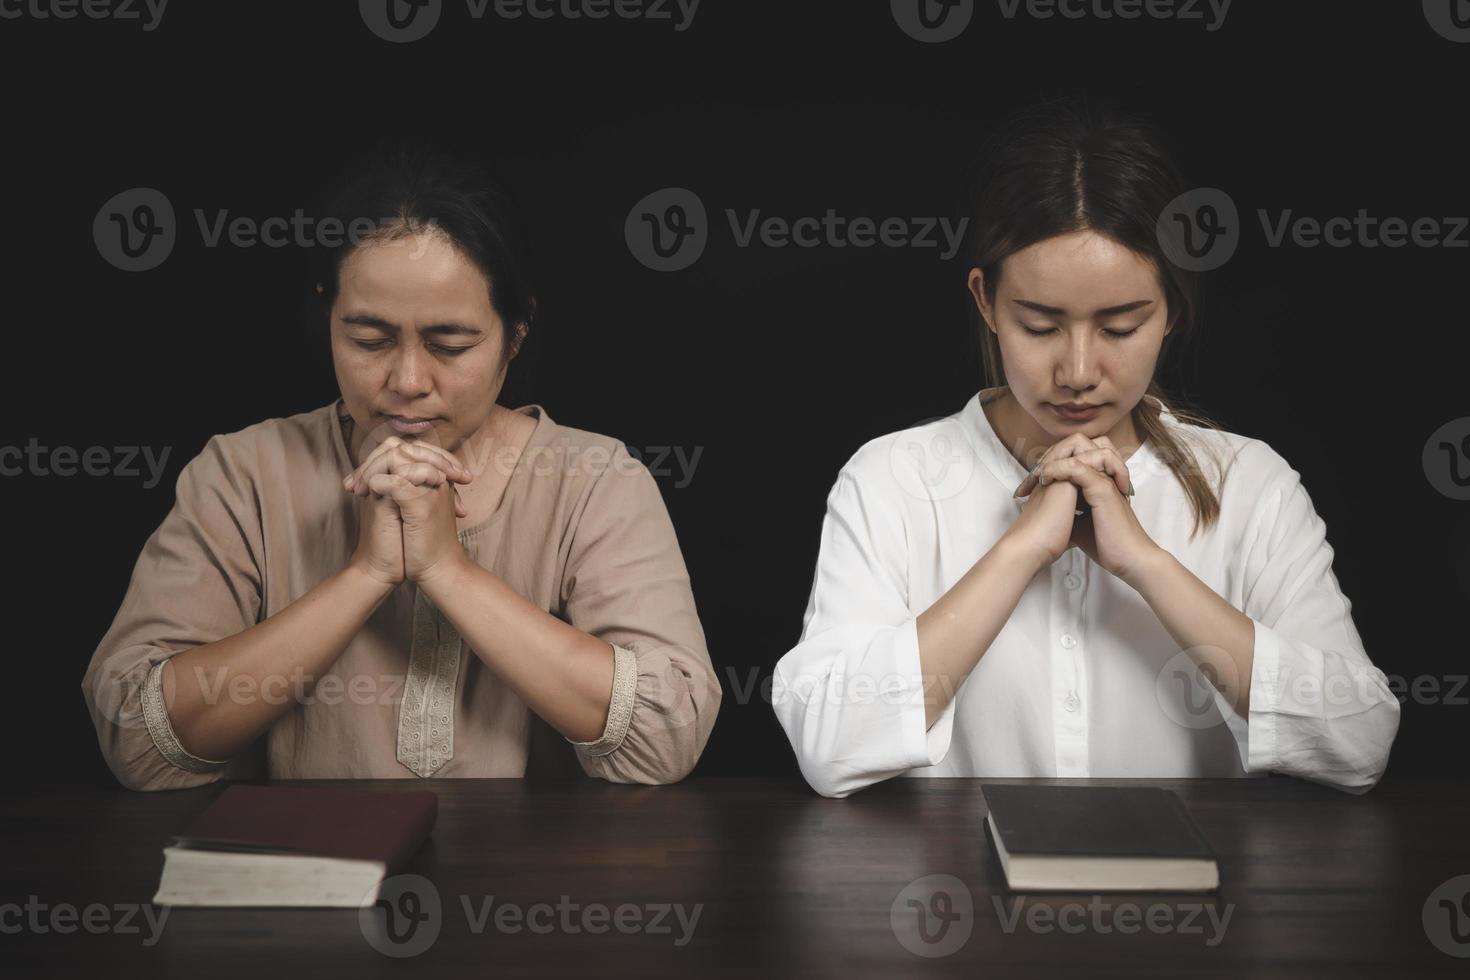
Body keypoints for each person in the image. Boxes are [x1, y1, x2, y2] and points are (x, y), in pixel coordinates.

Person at [771, 95, 1400, 799]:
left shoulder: (1250, 484)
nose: (1077, 371)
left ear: (1172, 310)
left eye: (1120, 326)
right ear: (985, 302)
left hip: (1196, 907)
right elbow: (828, 747)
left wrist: (1148, 565)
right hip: (969, 895)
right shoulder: (892, 478)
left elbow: (1360, 741)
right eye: (1040, 325)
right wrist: (1020, 551)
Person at [81, 144, 721, 790]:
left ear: (517, 332)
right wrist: (368, 572)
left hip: (532, 886)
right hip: (300, 877)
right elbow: (139, 741)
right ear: (326, 318)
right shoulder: (243, 472)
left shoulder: (595, 478)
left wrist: (446, 569)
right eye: (369, 340)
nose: (408, 381)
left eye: (450, 344)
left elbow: (662, 742)